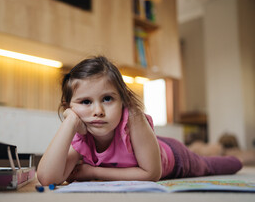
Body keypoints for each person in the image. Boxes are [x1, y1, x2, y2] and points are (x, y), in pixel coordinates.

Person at [36, 56, 243, 186]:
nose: (98, 111)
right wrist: (70, 122)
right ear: (69, 106)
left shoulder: (133, 116)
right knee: (202, 148)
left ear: (122, 100)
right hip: (150, 145)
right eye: (85, 101)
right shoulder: (82, 132)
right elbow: (47, 178)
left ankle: (229, 152)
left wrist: (93, 171)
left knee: (221, 164)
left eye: (107, 99)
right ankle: (211, 147)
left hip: (175, 157)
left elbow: (152, 173)